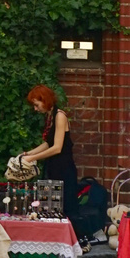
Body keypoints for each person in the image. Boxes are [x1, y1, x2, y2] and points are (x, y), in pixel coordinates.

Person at [21, 85, 79, 221]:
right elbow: (48, 143)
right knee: (49, 209)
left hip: (64, 170)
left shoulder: (60, 116)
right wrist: (27, 154)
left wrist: (32, 158)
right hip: (54, 168)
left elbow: (57, 147)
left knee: (64, 209)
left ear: (45, 100)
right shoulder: (50, 117)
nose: (35, 109)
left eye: (36, 105)